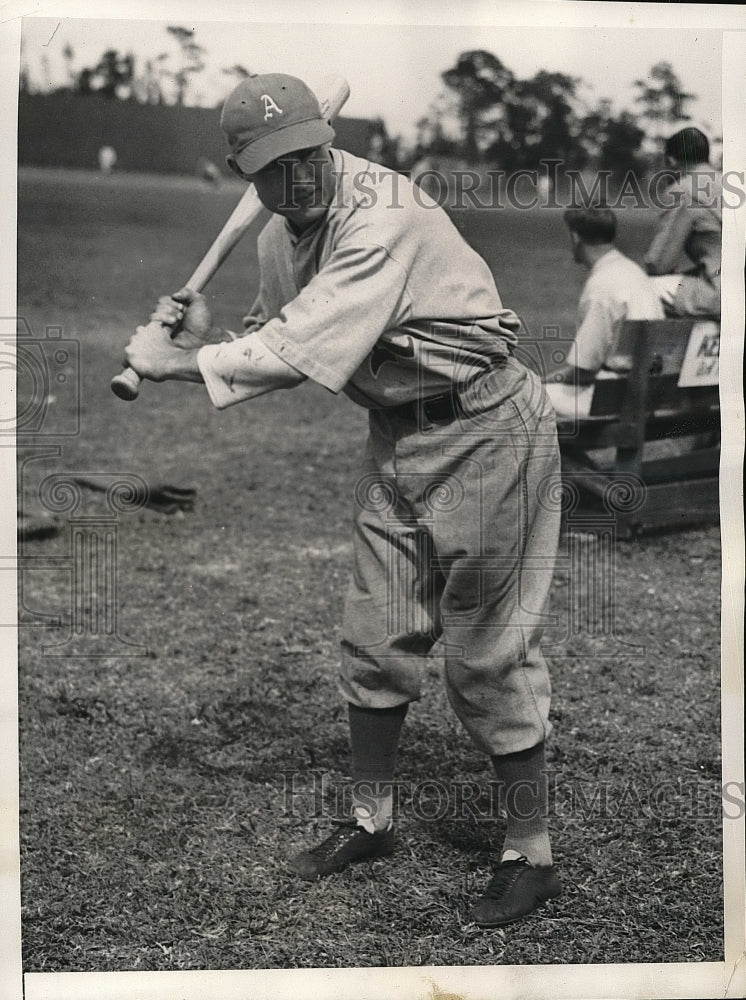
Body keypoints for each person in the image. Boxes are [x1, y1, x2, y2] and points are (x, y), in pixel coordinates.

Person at [124, 73, 563, 927]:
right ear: (242, 172)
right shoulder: (276, 238)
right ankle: (371, 820)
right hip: (397, 434)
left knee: (485, 652)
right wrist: (202, 334)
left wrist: (174, 365)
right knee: (374, 632)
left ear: (329, 142)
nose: (297, 180)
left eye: (307, 157)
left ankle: (531, 853)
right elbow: (271, 338)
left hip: (488, 425)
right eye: (272, 168)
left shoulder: (384, 212)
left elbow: (297, 351)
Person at [546, 206, 664, 420]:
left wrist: (540, 381)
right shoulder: (634, 272)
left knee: (528, 399)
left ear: (575, 237)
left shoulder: (602, 285)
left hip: (614, 400)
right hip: (650, 394)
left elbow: (583, 371)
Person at [645, 126, 722, 318]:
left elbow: (659, 264)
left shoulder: (681, 189)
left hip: (722, 295)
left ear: (671, 161)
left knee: (640, 290)